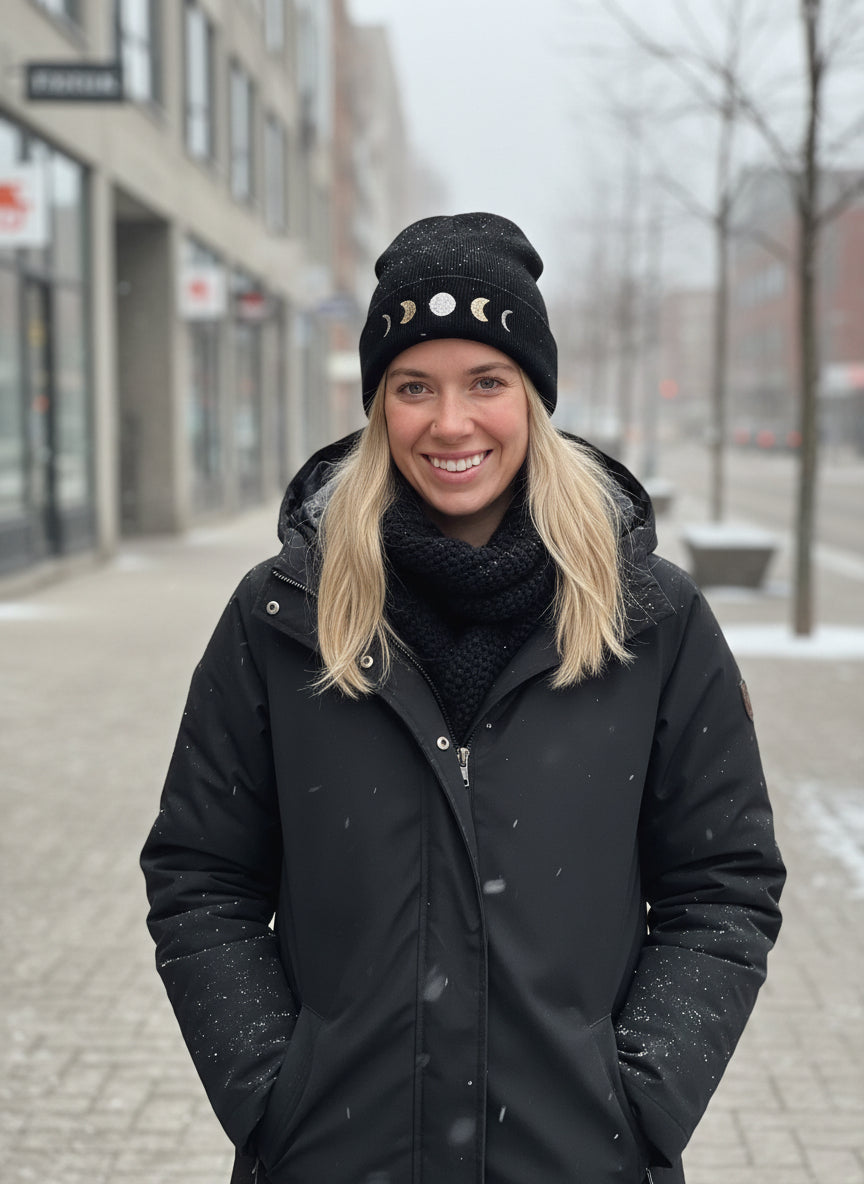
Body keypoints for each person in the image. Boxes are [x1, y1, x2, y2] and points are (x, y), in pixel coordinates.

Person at [141, 213, 785, 1184]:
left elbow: (723, 883)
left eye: (486, 381)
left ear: (534, 396)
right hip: (337, 1157)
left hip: (576, 1157)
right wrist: (276, 1094)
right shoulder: (284, 614)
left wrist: (640, 1100)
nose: (450, 423)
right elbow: (201, 876)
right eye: (414, 386)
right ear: (378, 405)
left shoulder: (650, 618)